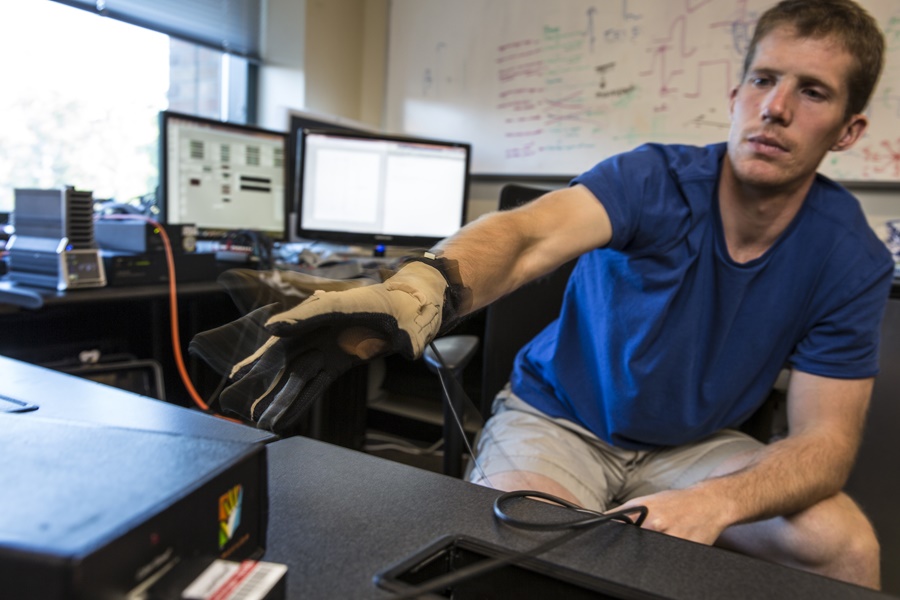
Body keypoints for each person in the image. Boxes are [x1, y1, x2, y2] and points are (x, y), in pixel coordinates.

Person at [192, 0, 892, 590]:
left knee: (846, 546)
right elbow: (528, 234)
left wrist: (713, 501)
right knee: (524, 560)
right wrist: (427, 284)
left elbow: (825, 442)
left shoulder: (848, 256)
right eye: (764, 79)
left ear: (848, 130)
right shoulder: (653, 180)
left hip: (697, 446)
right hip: (561, 421)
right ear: (736, 94)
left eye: (812, 91)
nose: (775, 108)